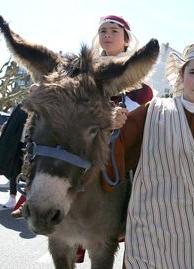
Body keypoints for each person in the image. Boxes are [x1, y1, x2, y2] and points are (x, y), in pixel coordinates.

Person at [115, 42, 194, 269]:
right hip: (144, 226)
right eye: (193, 72)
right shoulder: (152, 110)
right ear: (182, 73)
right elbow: (117, 148)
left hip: (189, 236)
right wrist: (112, 123)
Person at [75, 14, 155, 264]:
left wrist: (122, 120)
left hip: (123, 152)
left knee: (141, 188)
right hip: (85, 145)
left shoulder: (142, 85)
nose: (107, 35)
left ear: (126, 39)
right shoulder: (82, 71)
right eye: (103, 31)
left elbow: (143, 122)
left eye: (113, 31)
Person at [0, 84, 39, 208]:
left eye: (37, 91)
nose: (34, 93)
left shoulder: (43, 108)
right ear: (29, 92)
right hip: (17, 145)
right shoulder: (21, 107)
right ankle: (12, 197)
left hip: (33, 146)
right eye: (32, 91)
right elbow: (11, 126)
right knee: (14, 171)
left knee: (32, 174)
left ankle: (28, 200)